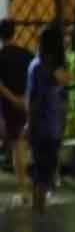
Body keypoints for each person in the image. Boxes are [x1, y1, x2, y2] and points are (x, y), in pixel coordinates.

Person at [25, 22, 69, 213]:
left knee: (41, 172)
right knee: (44, 173)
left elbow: (33, 99)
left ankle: (38, 209)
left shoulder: (37, 65)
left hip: (44, 125)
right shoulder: (45, 68)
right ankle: (39, 210)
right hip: (48, 125)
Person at [0, 19, 34, 195]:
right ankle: (29, 186)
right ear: (14, 32)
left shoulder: (1, 56)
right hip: (27, 103)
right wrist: (25, 99)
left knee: (17, 147)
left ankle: (22, 189)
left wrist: (13, 99)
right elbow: (33, 79)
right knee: (25, 144)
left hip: (8, 106)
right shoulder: (27, 54)